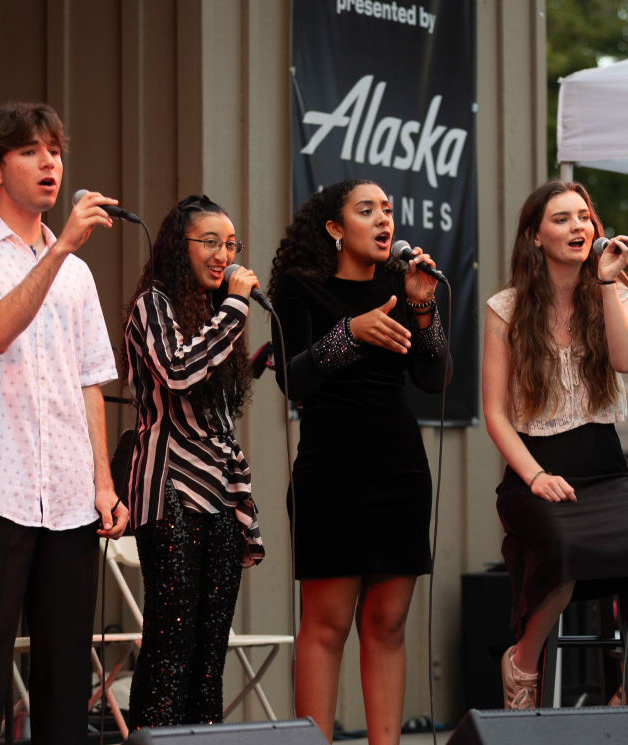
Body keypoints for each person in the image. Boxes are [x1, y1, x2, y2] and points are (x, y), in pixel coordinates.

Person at [0, 101, 128, 744]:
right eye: (30, 151)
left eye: (55, 149)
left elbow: (91, 379)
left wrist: (103, 481)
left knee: (66, 669)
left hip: (70, 491)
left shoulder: (78, 273)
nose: (51, 162)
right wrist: (62, 247)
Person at [484, 179, 628, 710]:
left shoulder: (617, 296)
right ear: (534, 236)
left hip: (606, 469)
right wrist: (534, 476)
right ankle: (522, 666)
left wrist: (603, 283)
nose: (579, 227)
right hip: (535, 470)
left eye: (584, 217)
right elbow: (495, 415)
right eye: (561, 218)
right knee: (564, 553)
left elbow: (624, 361)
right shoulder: (505, 309)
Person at [269, 179, 450, 744]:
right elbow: (291, 379)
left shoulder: (403, 283)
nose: (383, 220)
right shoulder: (299, 287)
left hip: (399, 469)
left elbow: (434, 377)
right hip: (332, 471)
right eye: (366, 210)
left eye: (388, 211)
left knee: (388, 625)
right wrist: (349, 333)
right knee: (325, 627)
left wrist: (423, 308)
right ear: (334, 227)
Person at [122, 194, 265, 728]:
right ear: (177, 248)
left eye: (231, 244)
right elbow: (178, 372)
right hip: (169, 487)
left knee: (209, 652)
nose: (223, 255)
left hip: (218, 491)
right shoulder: (153, 304)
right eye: (210, 242)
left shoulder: (214, 313)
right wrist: (235, 308)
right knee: (171, 640)